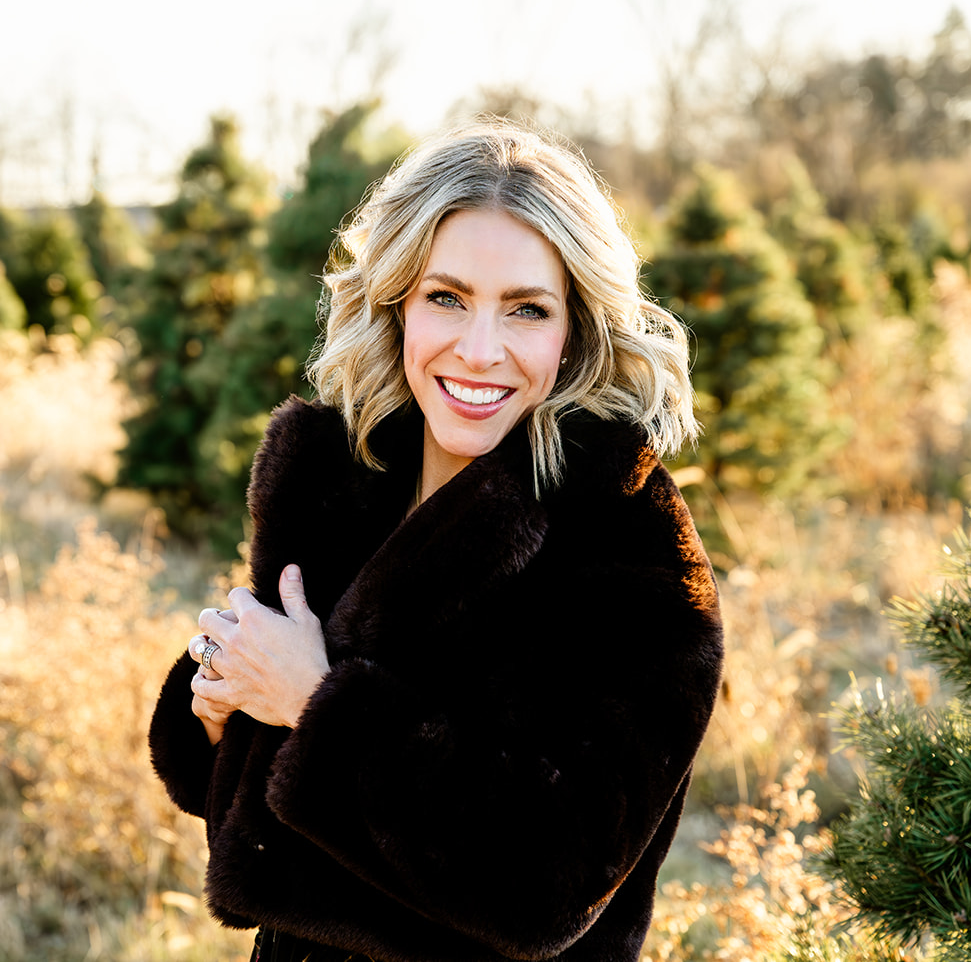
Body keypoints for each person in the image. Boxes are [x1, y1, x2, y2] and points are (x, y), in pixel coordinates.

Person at [147, 119, 723, 962]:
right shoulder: (342, 486)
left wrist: (317, 702)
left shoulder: (635, 556)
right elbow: (250, 818)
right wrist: (218, 704)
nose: (479, 350)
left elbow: (547, 886)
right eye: (446, 297)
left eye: (526, 309)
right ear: (396, 302)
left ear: (575, 332)